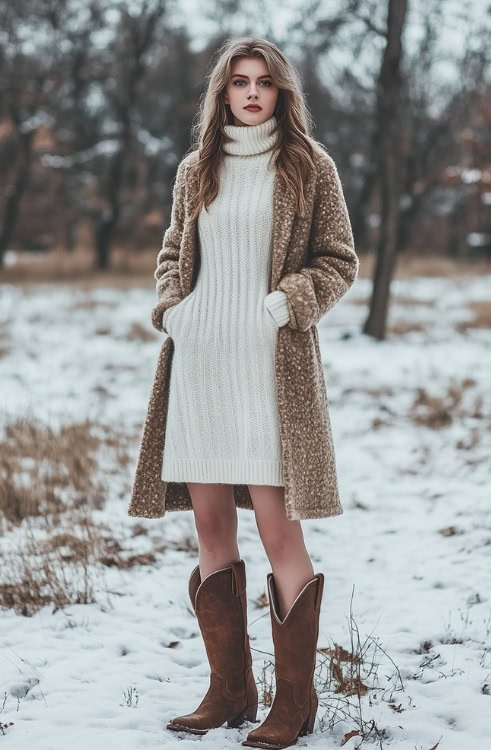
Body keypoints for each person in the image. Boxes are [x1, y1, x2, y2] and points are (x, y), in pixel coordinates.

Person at [132, 36, 359, 749]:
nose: (252, 93)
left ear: (282, 92)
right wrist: (174, 308)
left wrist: (287, 303)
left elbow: (339, 259)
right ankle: (230, 690)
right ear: (223, 93)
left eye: (264, 82)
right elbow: (175, 249)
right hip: (201, 367)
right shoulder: (196, 168)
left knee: (276, 530)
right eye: (239, 82)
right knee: (208, 528)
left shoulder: (308, 168)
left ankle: (296, 702)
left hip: (270, 372)